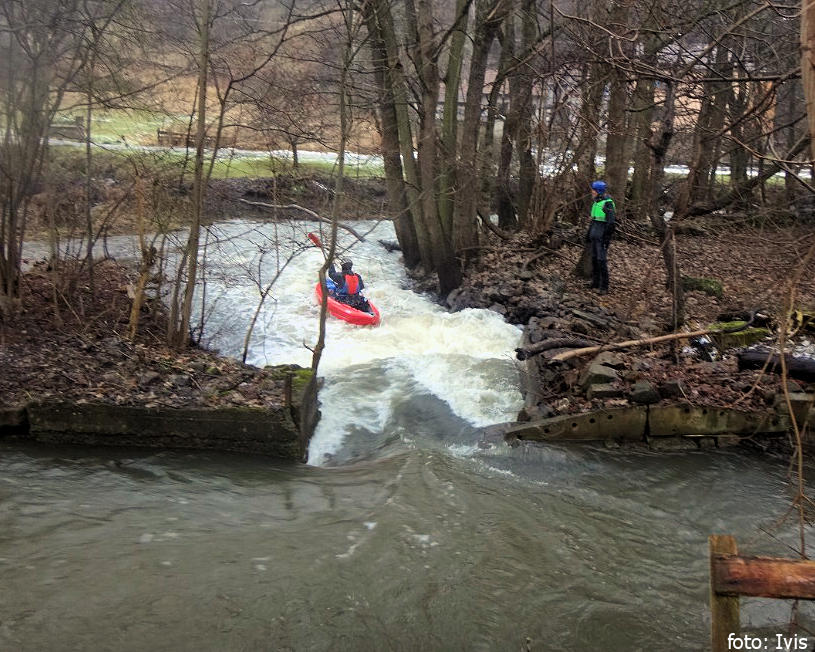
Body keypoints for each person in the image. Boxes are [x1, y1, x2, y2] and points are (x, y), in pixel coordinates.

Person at [587, 180, 616, 295]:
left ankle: (604, 286)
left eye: (593, 190)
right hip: (595, 233)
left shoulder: (608, 203)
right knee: (594, 259)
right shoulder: (596, 202)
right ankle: (595, 282)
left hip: (602, 236)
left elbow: (611, 223)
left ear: (598, 191)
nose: (591, 192)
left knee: (601, 260)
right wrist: (588, 235)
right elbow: (594, 220)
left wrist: (606, 238)